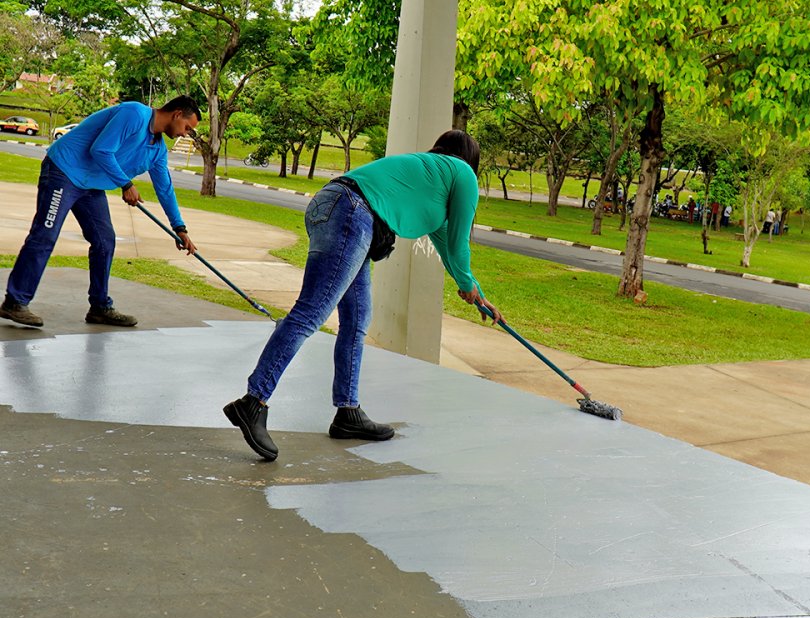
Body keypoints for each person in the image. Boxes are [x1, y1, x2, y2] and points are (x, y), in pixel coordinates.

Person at [224, 130, 503, 461]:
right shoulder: (463, 174)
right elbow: (460, 246)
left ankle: (348, 412)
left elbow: (450, 253)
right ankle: (253, 401)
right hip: (352, 211)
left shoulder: (432, 178)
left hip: (334, 205)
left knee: (356, 320)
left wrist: (478, 296)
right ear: (470, 159)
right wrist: (468, 284)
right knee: (310, 313)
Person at [0, 96, 201, 328]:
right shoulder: (135, 114)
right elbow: (102, 150)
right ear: (177, 114)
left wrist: (180, 228)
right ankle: (15, 301)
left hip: (91, 184)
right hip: (64, 170)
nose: (186, 133)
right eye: (187, 127)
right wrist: (126, 184)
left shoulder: (157, 150)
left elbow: (165, 189)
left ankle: (99, 307)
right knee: (45, 234)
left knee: (105, 241)